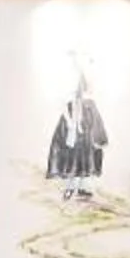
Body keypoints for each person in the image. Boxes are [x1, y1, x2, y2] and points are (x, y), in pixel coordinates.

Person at [46, 68, 108, 201]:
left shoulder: (88, 102)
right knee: (73, 162)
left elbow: (95, 120)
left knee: (84, 163)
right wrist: (70, 122)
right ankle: (69, 189)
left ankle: (81, 189)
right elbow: (66, 113)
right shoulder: (71, 101)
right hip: (74, 136)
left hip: (84, 138)